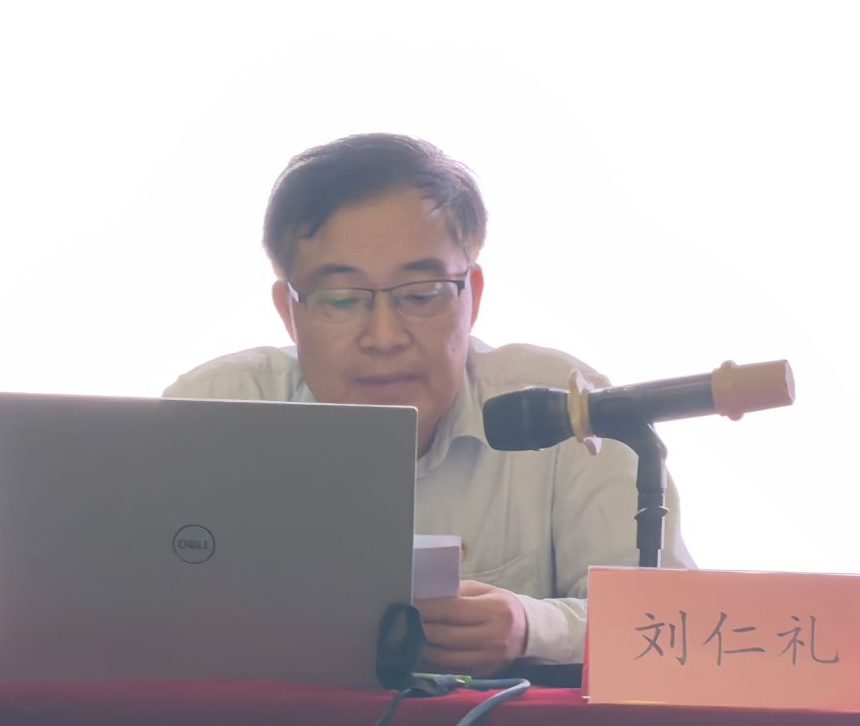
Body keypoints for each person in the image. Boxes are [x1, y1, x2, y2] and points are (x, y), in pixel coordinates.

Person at [164, 133, 691, 678]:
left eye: (421, 294)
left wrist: (530, 625)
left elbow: (678, 624)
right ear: (287, 310)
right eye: (342, 299)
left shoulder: (564, 408)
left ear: (473, 296)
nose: (384, 336)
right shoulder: (214, 412)